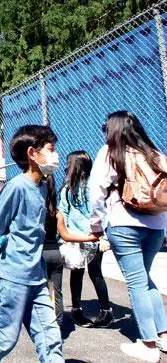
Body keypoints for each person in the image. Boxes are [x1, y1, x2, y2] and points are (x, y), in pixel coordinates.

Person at [0, 125, 63, 362]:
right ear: (33, 153)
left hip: (37, 277)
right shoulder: (16, 187)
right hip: (12, 276)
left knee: (50, 336)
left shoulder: (43, 187)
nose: (55, 155)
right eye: (51, 149)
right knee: (2, 339)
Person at [89, 111, 167, 362]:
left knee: (136, 283)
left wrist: (96, 225)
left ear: (113, 129)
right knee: (145, 278)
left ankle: (148, 344)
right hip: (156, 225)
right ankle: (164, 334)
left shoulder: (110, 152)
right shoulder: (154, 153)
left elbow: (97, 191)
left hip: (124, 224)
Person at [57, 150, 113, 329]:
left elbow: (102, 214)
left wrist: (104, 237)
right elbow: (63, 212)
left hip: (94, 238)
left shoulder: (92, 188)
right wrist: (64, 236)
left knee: (95, 272)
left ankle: (106, 311)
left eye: (69, 164)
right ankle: (76, 309)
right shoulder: (67, 189)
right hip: (75, 238)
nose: (66, 168)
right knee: (76, 271)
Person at [42, 175, 65, 334]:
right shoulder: (57, 213)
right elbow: (65, 234)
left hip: (39, 254)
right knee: (56, 291)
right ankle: (58, 327)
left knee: (40, 292)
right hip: (56, 254)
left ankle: (43, 326)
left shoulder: (35, 211)